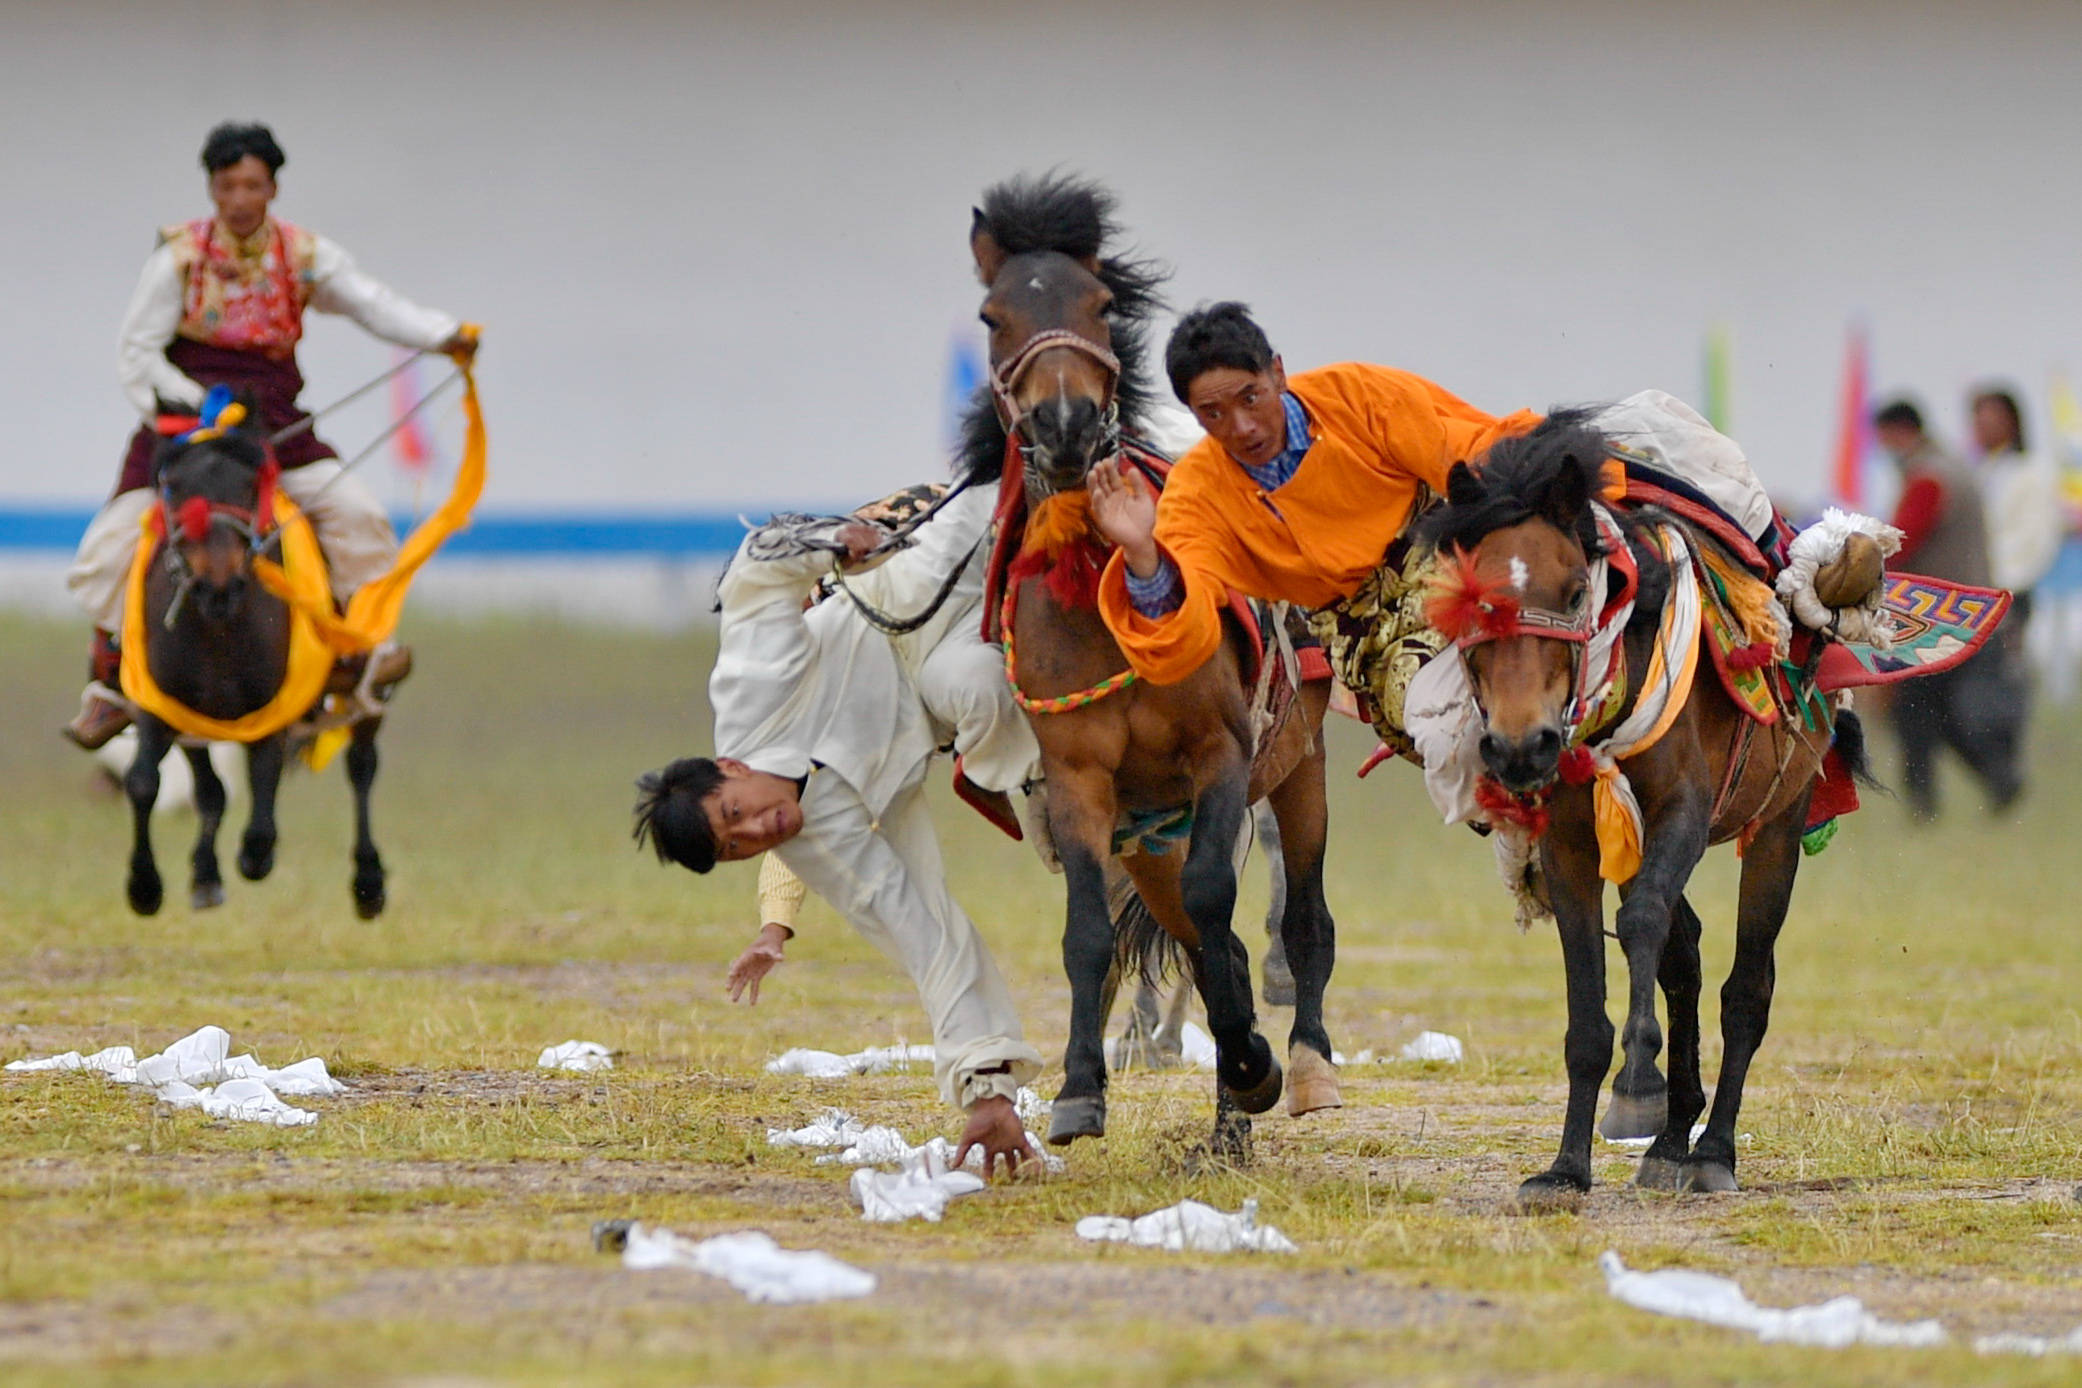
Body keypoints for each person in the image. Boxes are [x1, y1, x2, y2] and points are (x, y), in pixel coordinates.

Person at [1086, 301, 1776, 824]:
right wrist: (1143, 551)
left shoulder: (1358, 396)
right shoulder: (1198, 494)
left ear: (1277, 374)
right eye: (1212, 414)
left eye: (1249, 399)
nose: (1240, 426)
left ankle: (1768, 594)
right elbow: (1186, 621)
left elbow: (1461, 447)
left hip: (1447, 561)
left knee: (1594, 565)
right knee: (1447, 735)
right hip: (1361, 632)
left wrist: (1553, 479)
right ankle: (1524, 828)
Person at [634, 485, 1045, 1178]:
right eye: (741, 847)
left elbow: (753, 579)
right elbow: (923, 932)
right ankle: (1046, 797)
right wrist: (986, 1090)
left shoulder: (747, 695)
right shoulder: (816, 846)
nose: (762, 830)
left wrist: (831, 541)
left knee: (1001, 489)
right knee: (978, 686)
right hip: (944, 690)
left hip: (900, 593)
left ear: (728, 765)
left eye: (737, 814)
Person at [63, 121, 476, 748]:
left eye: (252, 184)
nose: (239, 198)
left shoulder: (305, 255)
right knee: (110, 546)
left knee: (359, 517)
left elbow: (372, 303)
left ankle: (354, 656)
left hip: (275, 426)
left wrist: (444, 335)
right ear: (212, 189)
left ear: (273, 188)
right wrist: (199, 407)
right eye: (227, 185)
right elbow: (136, 355)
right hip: (182, 432)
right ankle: (111, 681)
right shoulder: (177, 256)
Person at [1873, 398, 2024, 817]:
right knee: (1943, 711)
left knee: (1916, 712)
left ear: (1899, 432)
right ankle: (1998, 778)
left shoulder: (1927, 479)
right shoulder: (1954, 468)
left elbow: (1897, 543)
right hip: (1974, 612)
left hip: (1942, 618)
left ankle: (1926, 802)